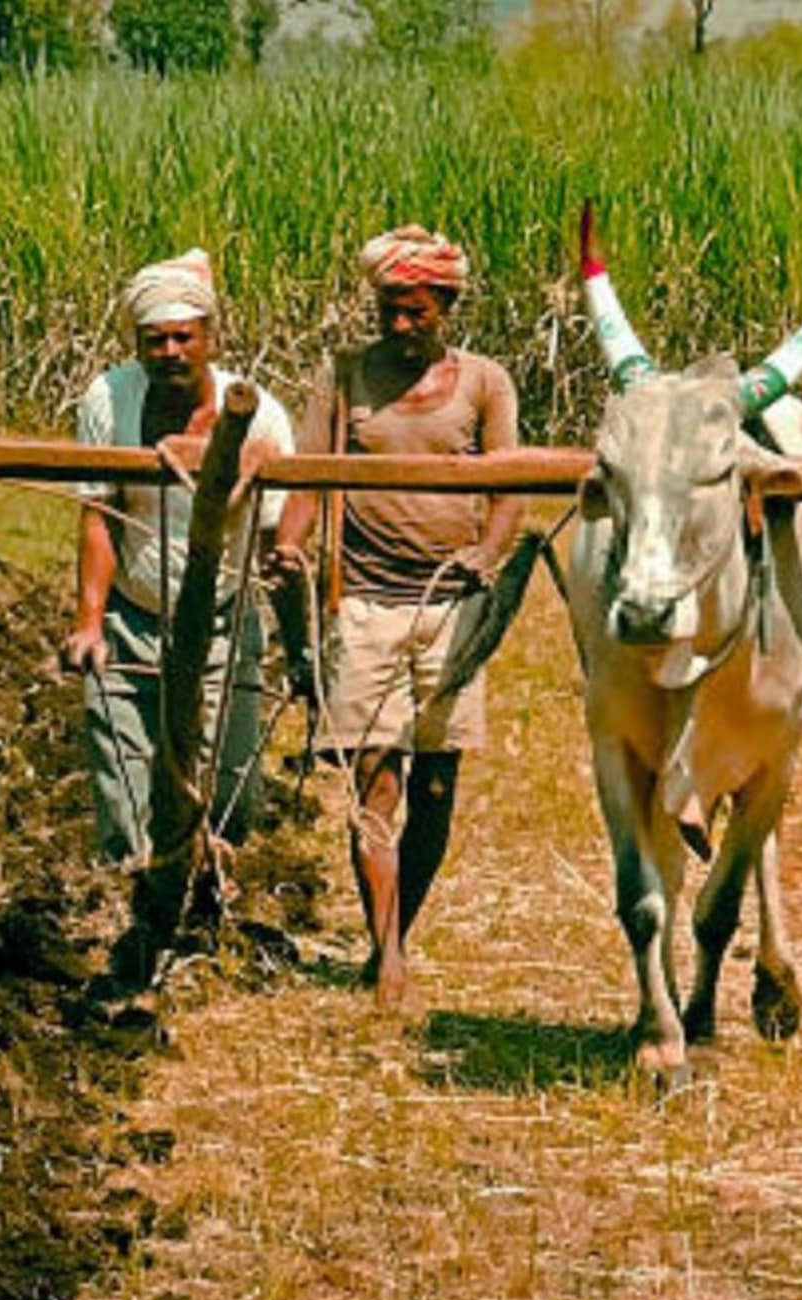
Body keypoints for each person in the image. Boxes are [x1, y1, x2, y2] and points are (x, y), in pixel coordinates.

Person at [269, 226, 521, 1009]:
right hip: (366, 604)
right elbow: (309, 474)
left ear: (446, 305)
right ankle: (387, 955)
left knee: (436, 788)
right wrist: (288, 544)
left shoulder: (484, 383)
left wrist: (489, 551)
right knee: (374, 783)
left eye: (416, 312)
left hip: (450, 607)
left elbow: (511, 486)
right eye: (389, 311)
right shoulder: (344, 375)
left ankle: (398, 929)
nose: (401, 326)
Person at [61, 249, 297, 866]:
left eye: (182, 337)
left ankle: (216, 888)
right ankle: (132, 890)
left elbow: (278, 536)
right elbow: (100, 517)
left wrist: (296, 628)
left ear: (210, 339)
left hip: (222, 613)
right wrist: (89, 623)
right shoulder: (109, 399)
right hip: (132, 612)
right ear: (137, 344)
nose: (169, 351)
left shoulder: (260, 412)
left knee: (231, 789)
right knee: (124, 766)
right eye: (154, 340)